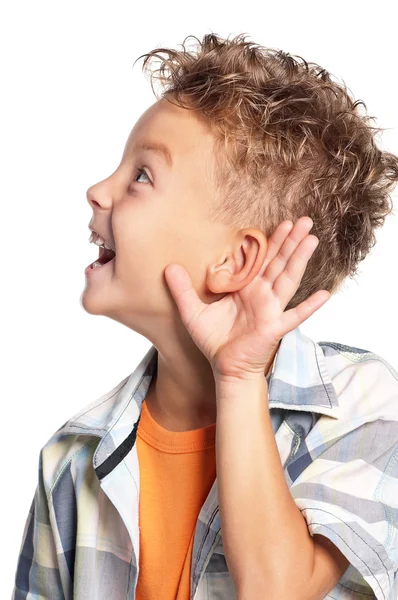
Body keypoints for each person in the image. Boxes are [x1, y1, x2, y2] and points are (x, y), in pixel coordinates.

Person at [12, 32, 398, 600]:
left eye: (141, 176)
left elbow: (277, 589)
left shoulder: (357, 404)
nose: (97, 190)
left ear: (233, 260)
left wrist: (238, 379)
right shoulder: (71, 458)